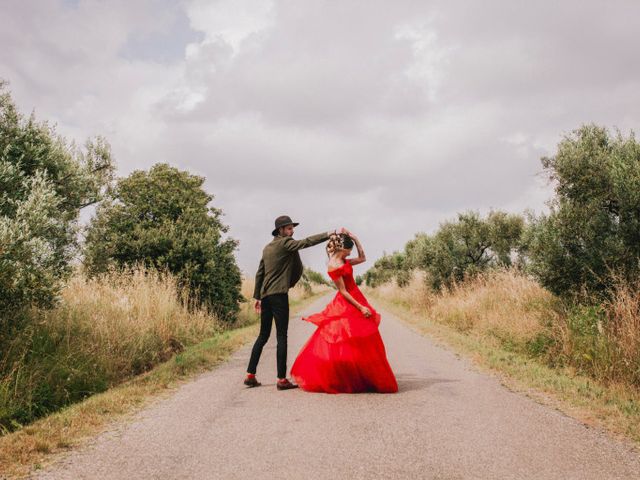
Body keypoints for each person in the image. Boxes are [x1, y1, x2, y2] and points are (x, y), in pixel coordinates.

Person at [290, 230, 398, 393]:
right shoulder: (334, 265)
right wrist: (360, 307)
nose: (350, 253)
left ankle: (363, 374)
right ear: (342, 249)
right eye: (349, 250)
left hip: (357, 297)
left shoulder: (343, 259)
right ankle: (346, 376)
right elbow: (343, 291)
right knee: (345, 338)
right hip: (348, 301)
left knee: (363, 338)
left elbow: (363, 258)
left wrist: (355, 238)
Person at [244, 215, 344, 390]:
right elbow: (305, 243)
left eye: (292, 228)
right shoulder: (286, 243)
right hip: (279, 296)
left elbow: (260, 273)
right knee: (281, 336)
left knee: (263, 335)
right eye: (289, 228)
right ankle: (281, 380)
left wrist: (258, 297)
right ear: (281, 231)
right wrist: (329, 233)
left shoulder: (267, 248)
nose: (292, 231)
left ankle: (250, 375)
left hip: (266, 296)